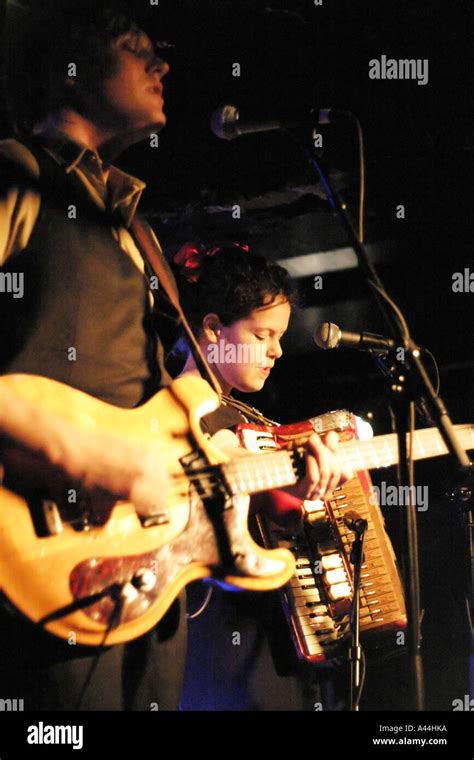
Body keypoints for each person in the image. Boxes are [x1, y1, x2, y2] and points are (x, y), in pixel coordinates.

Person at [0, 1, 350, 711]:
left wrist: (281, 484)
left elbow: (167, 419)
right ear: (69, 69)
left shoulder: (134, 228)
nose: (162, 64)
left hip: (143, 588)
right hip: (35, 564)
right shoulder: (15, 175)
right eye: (136, 47)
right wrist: (86, 457)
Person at [173, 243, 352, 710]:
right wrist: (291, 475)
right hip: (222, 639)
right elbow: (216, 472)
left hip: (270, 633)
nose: (276, 351)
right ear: (213, 329)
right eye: (261, 335)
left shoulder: (242, 413)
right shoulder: (177, 409)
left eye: (279, 336)